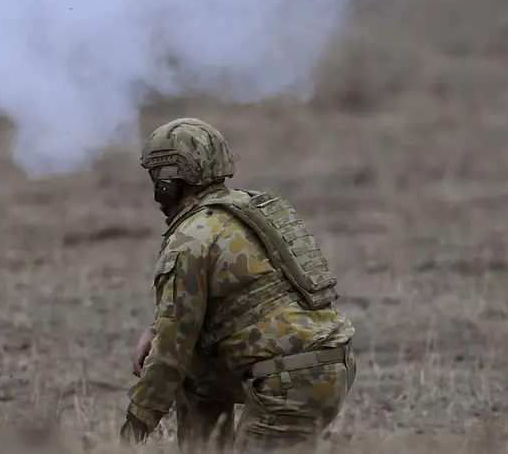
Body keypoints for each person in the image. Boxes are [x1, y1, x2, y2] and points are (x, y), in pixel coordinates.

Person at [121, 117, 357, 453]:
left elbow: (168, 355)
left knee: (181, 365)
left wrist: (132, 429)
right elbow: (201, 315)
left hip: (291, 382)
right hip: (327, 364)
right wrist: (156, 328)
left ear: (169, 181)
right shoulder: (247, 209)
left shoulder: (190, 237)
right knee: (194, 376)